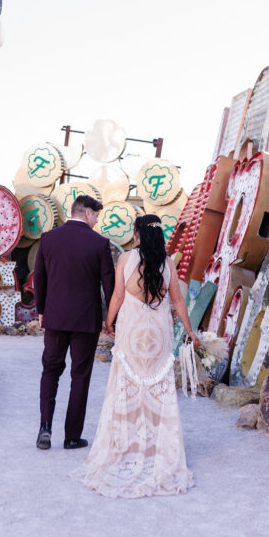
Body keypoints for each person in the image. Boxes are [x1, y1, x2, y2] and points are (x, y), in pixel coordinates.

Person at [70, 213, 200, 498]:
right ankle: (156, 449)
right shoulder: (167, 263)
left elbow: (116, 297)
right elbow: (177, 301)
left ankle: (126, 447)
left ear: (138, 234)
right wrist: (190, 331)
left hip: (131, 335)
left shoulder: (126, 260)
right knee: (158, 390)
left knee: (126, 390)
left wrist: (108, 322)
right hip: (158, 337)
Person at [33, 193, 115, 450]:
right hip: (86, 320)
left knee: (50, 371)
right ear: (88, 213)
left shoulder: (48, 239)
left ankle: (45, 429)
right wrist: (112, 319)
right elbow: (109, 286)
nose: (96, 223)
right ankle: (71, 436)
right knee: (80, 376)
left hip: (55, 317)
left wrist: (42, 310)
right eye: (96, 217)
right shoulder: (100, 243)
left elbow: (40, 279)